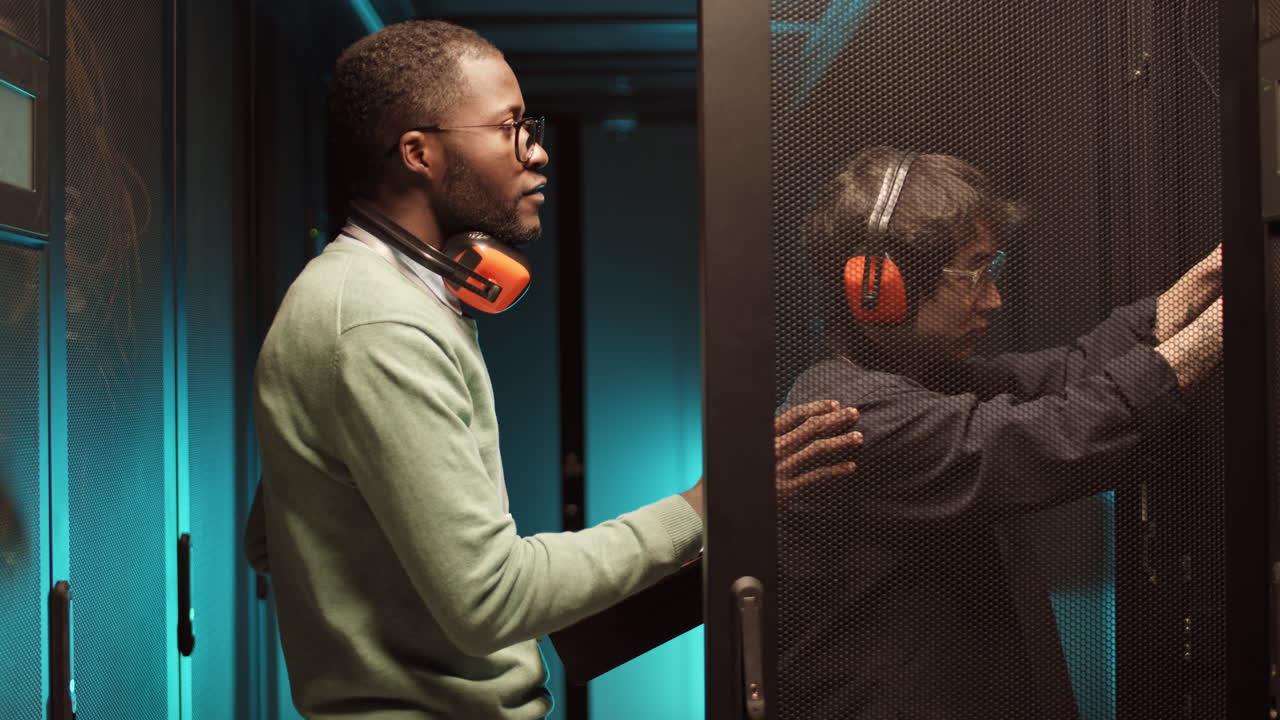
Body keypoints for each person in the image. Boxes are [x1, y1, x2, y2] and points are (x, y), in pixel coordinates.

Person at [243, 20, 862, 719]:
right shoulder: (380, 323)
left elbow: (275, 540)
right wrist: (702, 510)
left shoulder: (367, 299)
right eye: (510, 127)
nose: (537, 152)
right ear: (418, 152)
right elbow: (489, 599)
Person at [777, 146, 1223, 719]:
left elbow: (1070, 374)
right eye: (973, 274)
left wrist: (1208, 279)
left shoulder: (919, 381)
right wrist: (1222, 325)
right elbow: (1056, 432)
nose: (992, 300)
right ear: (881, 286)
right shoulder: (848, 416)